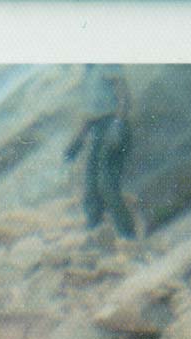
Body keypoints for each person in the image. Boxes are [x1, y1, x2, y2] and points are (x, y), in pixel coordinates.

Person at [64, 64, 136, 239]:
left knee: (106, 183)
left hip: (114, 126)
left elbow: (124, 97)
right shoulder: (87, 75)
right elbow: (90, 115)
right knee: (90, 186)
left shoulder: (106, 63)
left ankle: (128, 236)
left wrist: (118, 125)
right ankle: (96, 236)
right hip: (97, 131)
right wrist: (77, 141)